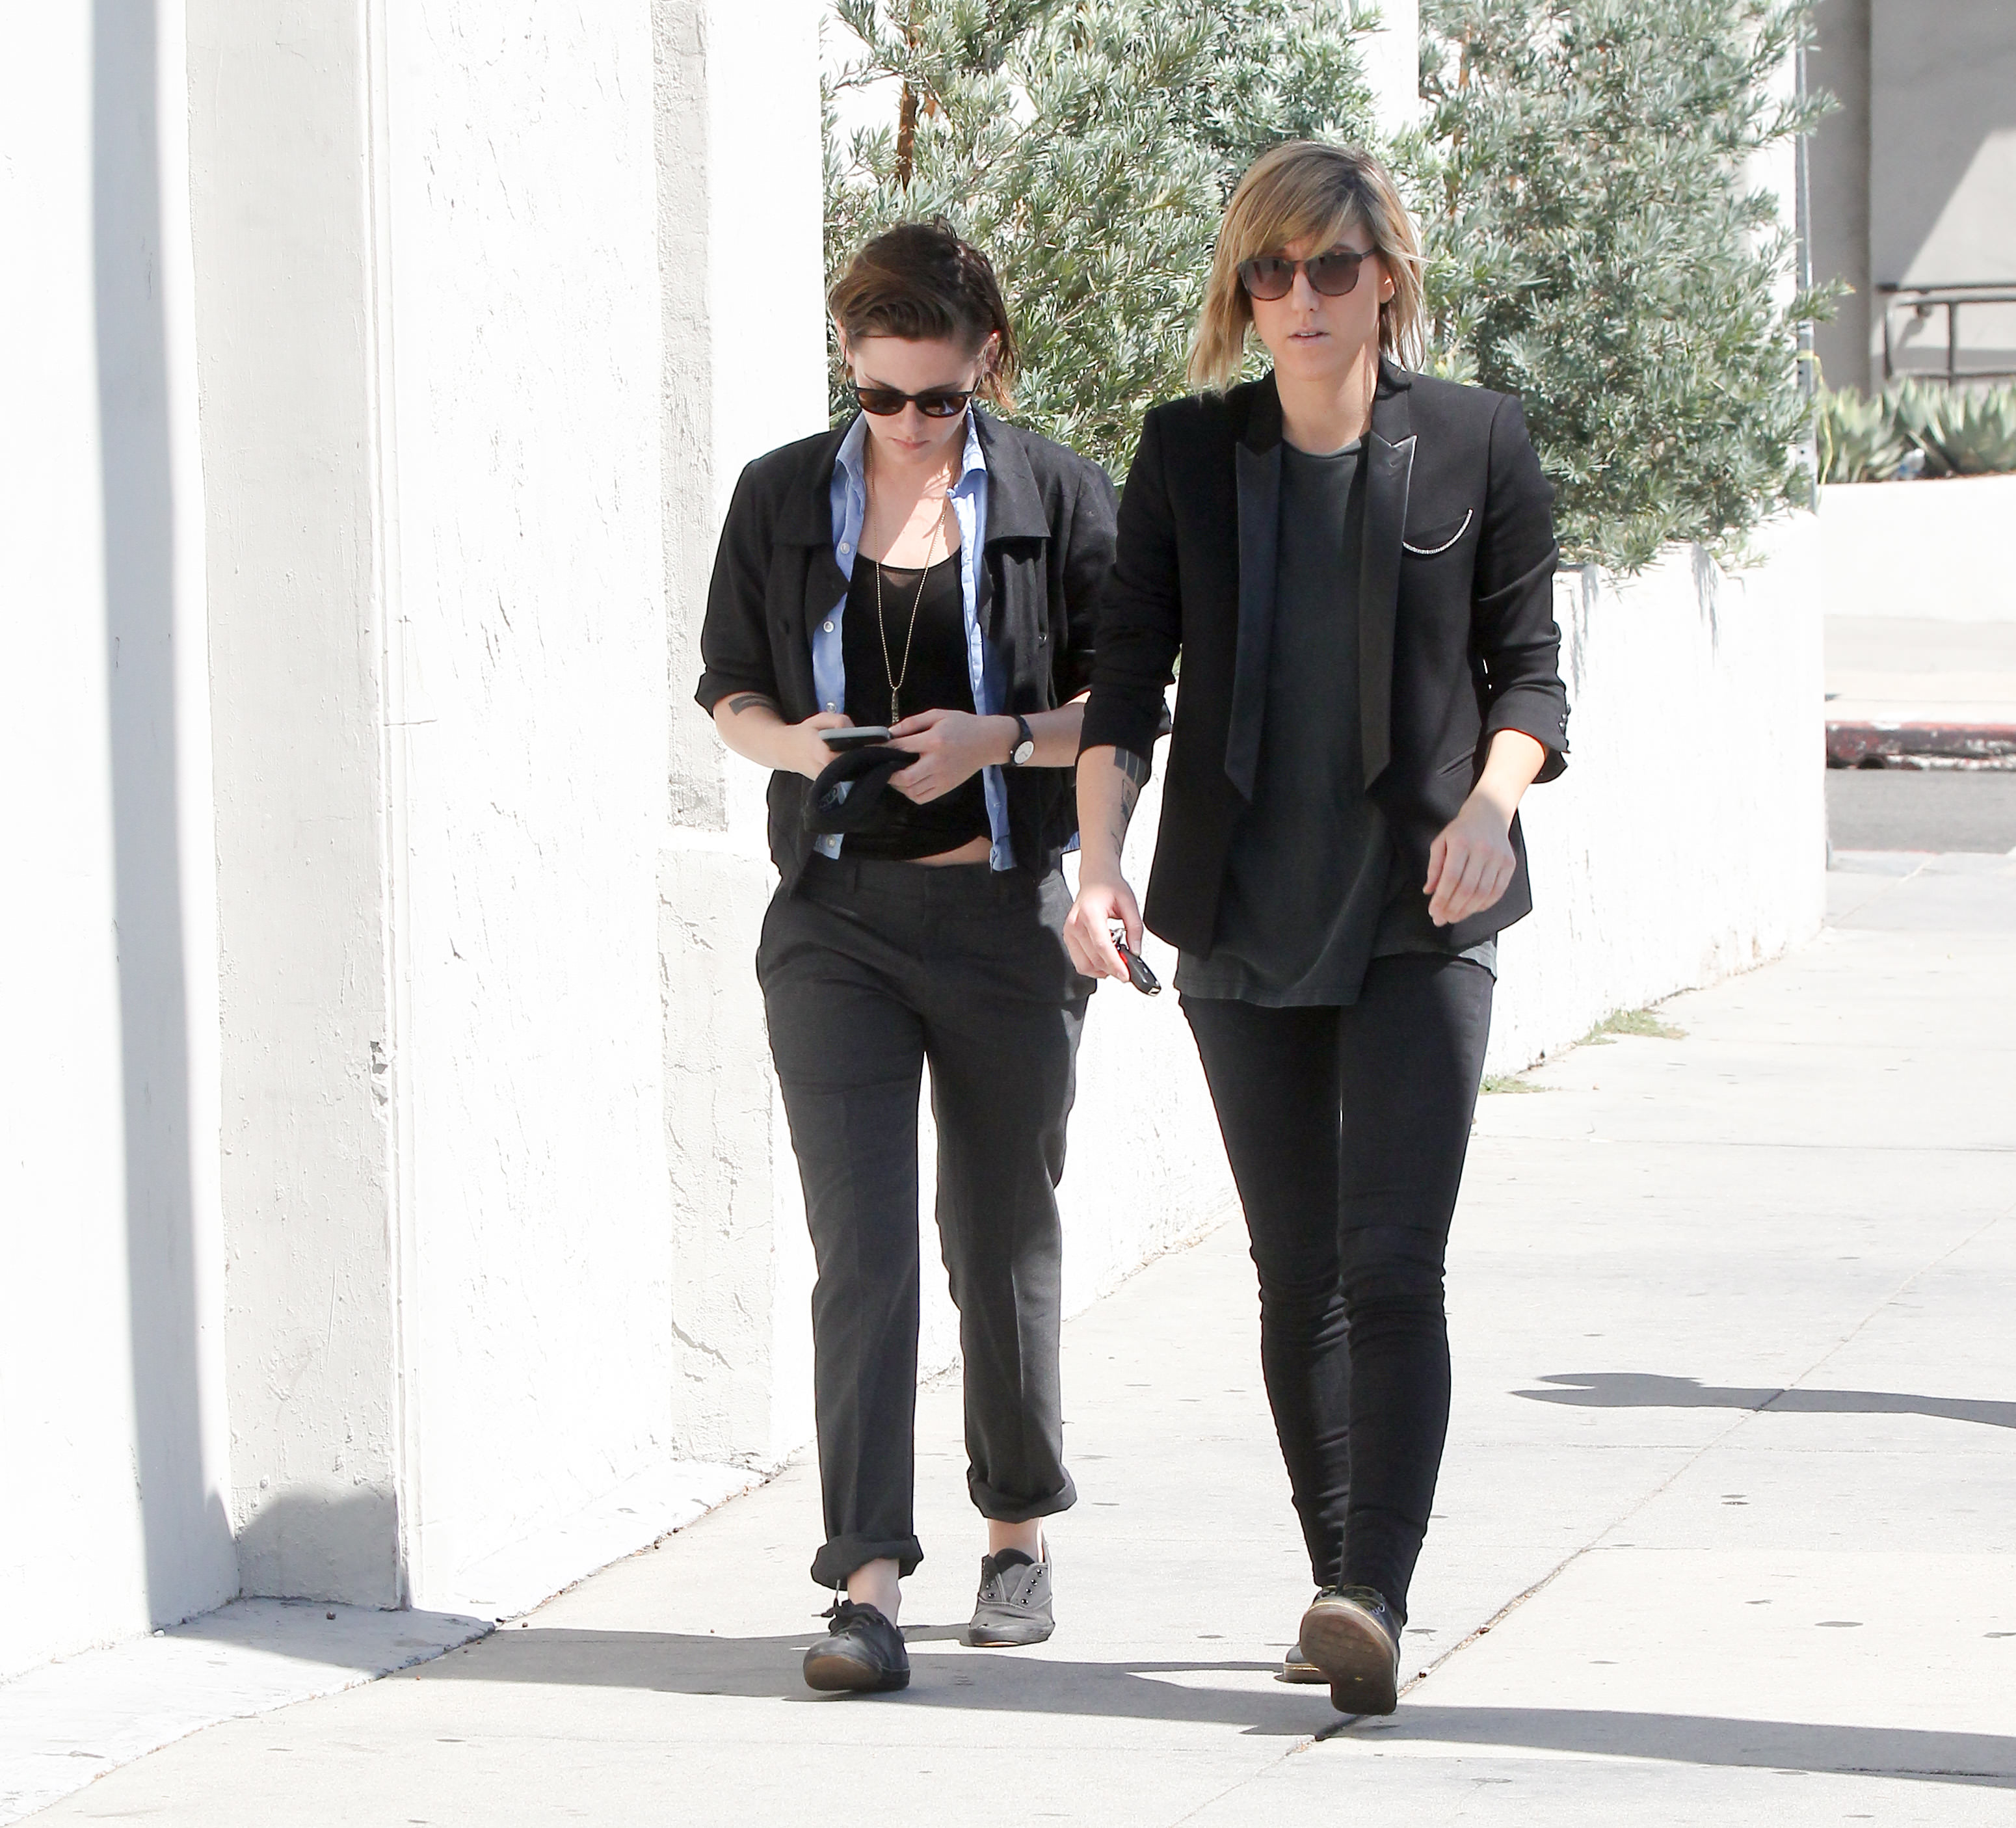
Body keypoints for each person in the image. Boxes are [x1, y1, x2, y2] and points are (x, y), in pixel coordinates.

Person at [1063, 142, 1570, 1717]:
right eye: (1269, 271)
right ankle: (1338, 1579)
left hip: (1423, 910)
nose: (1299, 296)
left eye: (1330, 267)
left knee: (1391, 1261)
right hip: (1242, 913)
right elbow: (1125, 679)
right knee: (1296, 1274)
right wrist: (1097, 864)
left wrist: (1490, 801)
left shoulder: (1474, 439)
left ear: (1385, 280)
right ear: (1243, 291)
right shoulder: (1186, 453)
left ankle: (1370, 1592)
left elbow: (1529, 671)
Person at [696, 220, 1115, 1695]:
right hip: (835, 922)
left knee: (996, 1238)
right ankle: (864, 1579)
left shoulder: (1057, 496)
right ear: (848, 364)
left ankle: (1016, 1531)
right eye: (880, 395)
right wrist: (798, 746)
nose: (911, 423)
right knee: (861, 1250)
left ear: (985, 362)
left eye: (939, 396)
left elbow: (1128, 707)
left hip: (1002, 919)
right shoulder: (779, 496)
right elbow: (727, 691)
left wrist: (1001, 739)